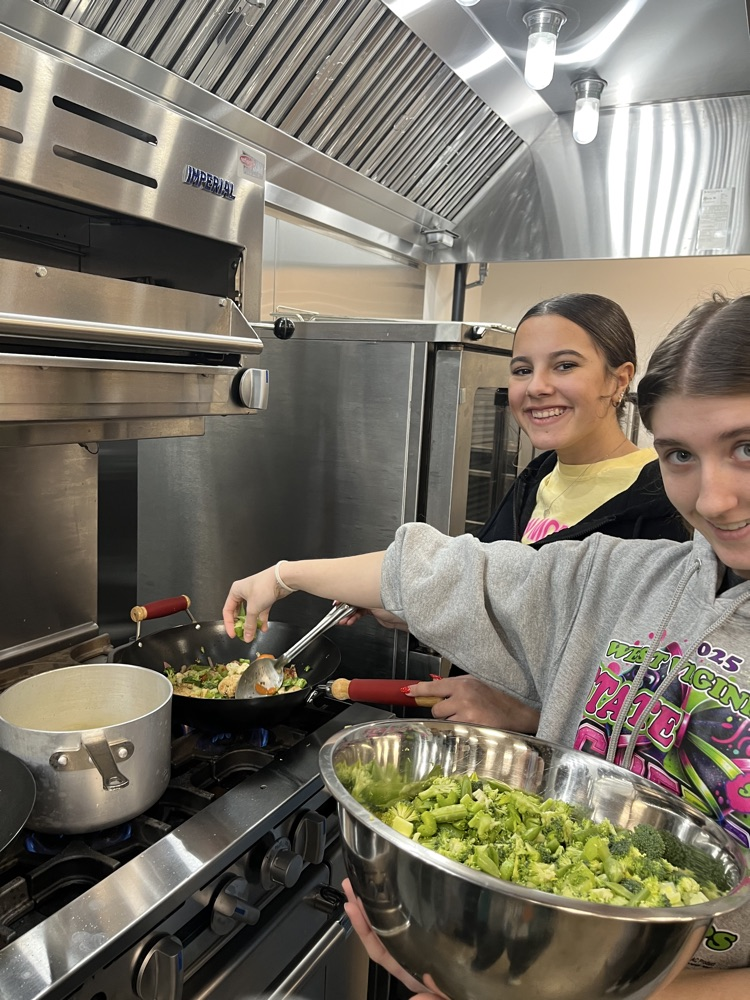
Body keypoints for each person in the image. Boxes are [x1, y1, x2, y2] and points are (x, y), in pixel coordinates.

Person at [223, 292, 750, 998]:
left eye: (745, 447)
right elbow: (453, 573)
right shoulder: (626, 578)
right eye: (680, 454)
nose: (713, 499)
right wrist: (284, 576)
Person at [350, 292, 689, 733]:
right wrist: (406, 605)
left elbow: (654, 707)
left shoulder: (664, 504)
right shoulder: (541, 472)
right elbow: (506, 607)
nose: (536, 387)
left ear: (619, 380)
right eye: (523, 370)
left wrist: (526, 717)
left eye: (565, 366)